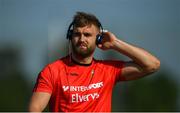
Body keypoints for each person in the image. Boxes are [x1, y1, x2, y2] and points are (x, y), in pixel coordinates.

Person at [28, 11, 160, 112]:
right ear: (70, 36)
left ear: (98, 39)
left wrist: (115, 44)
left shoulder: (108, 70)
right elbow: (35, 108)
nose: (81, 39)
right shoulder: (52, 71)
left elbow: (152, 65)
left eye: (87, 35)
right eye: (77, 34)